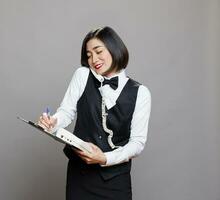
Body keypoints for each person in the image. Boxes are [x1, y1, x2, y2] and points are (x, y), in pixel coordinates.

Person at [38, 26, 151, 200]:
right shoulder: (82, 75)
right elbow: (66, 112)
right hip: (80, 177)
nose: (93, 59)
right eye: (89, 55)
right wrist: (53, 121)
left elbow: (137, 143)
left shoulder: (141, 92)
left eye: (98, 51)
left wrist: (104, 158)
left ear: (114, 49)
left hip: (115, 182)